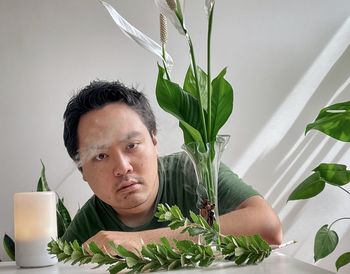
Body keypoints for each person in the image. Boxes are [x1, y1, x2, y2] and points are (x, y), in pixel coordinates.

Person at [62, 80, 282, 251]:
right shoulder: (87, 228)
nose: (123, 167)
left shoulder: (193, 170)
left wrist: (141, 241)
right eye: (100, 156)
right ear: (82, 169)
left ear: (154, 141)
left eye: (132, 145)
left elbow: (269, 228)